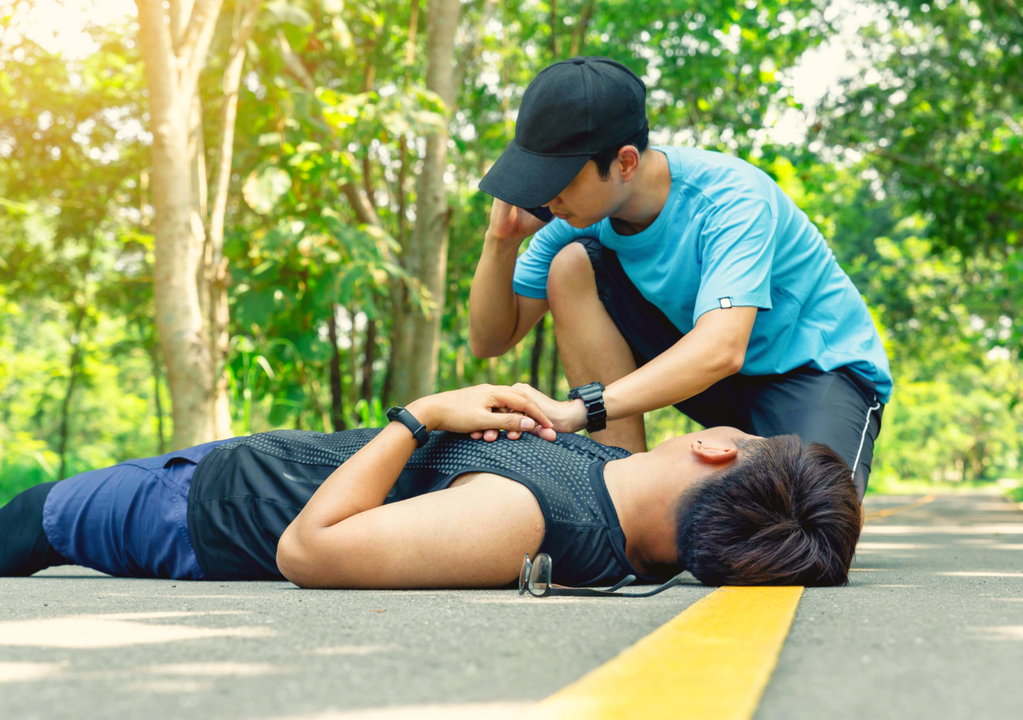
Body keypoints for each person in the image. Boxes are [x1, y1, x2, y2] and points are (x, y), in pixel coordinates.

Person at [470, 56, 891, 499]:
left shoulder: (732, 200)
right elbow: (491, 341)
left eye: (558, 180)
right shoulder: (577, 213)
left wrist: (579, 410)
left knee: (807, 528)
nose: (546, 197)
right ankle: (621, 496)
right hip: (715, 380)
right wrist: (500, 242)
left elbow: (721, 350)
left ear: (625, 163)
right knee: (572, 265)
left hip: (814, 371)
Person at [0, 385, 861, 588]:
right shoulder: (619, 490)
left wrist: (420, 415)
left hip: (200, 509)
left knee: (28, 521)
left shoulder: (520, 519)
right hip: (233, 465)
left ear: (717, 452)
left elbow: (310, 550)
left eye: (754, 439)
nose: (734, 427)